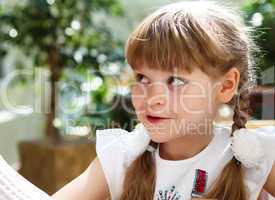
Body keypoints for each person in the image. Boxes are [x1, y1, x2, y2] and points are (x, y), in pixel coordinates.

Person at [0, 1, 274, 200]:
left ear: (225, 86)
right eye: (142, 77)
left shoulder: (254, 160)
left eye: (175, 81)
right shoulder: (121, 157)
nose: (152, 98)